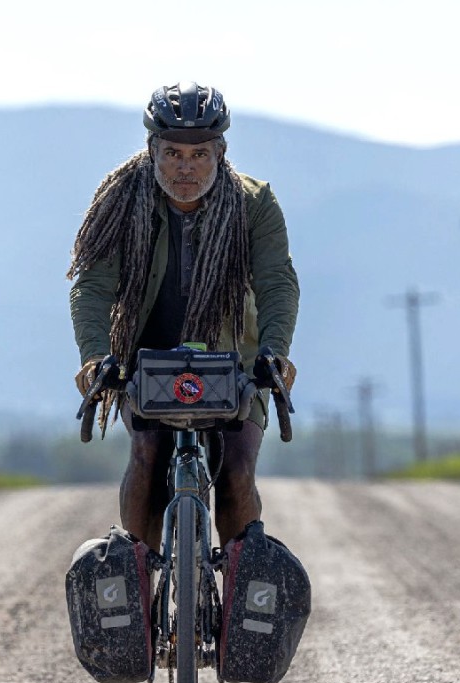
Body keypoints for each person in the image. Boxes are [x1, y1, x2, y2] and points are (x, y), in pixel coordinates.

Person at [67, 82, 299, 551]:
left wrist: (275, 353)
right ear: (152, 150)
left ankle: (237, 595)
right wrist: (96, 356)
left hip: (233, 362)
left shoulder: (255, 204)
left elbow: (277, 282)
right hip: (144, 363)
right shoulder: (119, 200)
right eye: (173, 153)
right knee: (147, 454)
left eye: (199, 155)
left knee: (236, 470)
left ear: (221, 151)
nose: (185, 167)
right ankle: (138, 585)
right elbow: (91, 285)